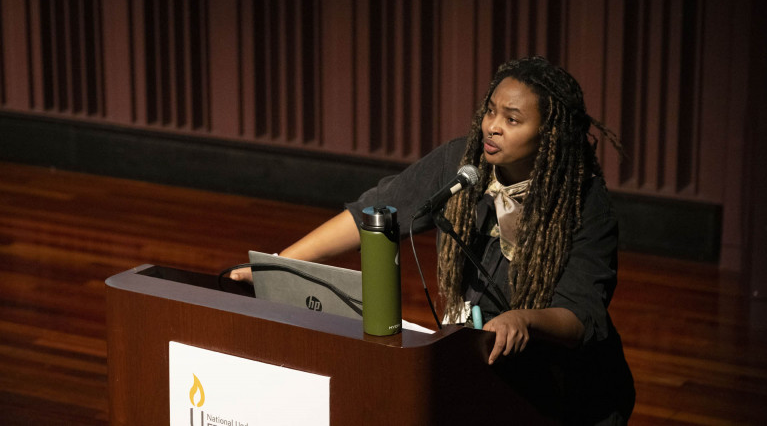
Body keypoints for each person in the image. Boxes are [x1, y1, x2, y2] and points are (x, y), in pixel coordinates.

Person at [233, 56, 635, 424]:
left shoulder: (583, 202)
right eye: (491, 110)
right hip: (481, 371)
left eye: (513, 119)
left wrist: (524, 318)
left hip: (566, 395)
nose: (492, 125)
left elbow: (580, 316)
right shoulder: (461, 161)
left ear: (550, 134)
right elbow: (372, 214)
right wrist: (278, 265)